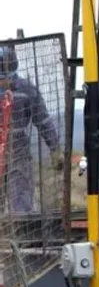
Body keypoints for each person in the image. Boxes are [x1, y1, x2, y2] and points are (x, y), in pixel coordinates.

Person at [0, 44, 64, 214]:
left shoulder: (26, 90)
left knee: (20, 207)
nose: (3, 83)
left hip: (18, 158)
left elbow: (43, 120)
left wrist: (55, 148)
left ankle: (22, 239)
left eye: (5, 79)